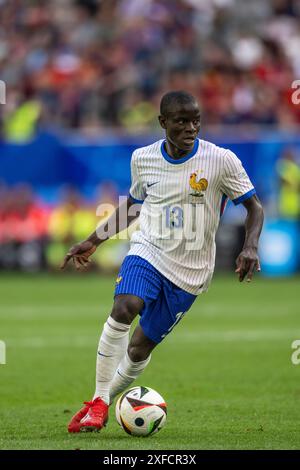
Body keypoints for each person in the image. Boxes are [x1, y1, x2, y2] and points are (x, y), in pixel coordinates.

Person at [61, 90, 264, 433]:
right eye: (182, 121)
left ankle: (102, 402)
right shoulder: (143, 158)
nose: (190, 128)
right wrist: (93, 240)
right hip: (148, 249)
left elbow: (254, 207)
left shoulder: (221, 160)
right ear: (163, 123)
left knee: (139, 348)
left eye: (196, 120)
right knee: (124, 306)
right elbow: (133, 206)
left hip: (191, 271)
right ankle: (97, 401)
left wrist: (251, 246)